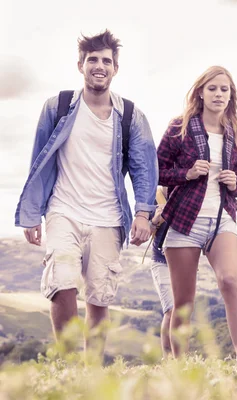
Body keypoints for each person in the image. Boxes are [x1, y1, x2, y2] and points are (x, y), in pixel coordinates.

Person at [15, 29, 157, 357]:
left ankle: (90, 375)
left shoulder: (131, 116)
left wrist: (143, 213)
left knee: (98, 298)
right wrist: (32, 212)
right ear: (80, 65)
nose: (99, 65)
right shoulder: (59, 106)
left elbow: (144, 166)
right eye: (92, 59)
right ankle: (67, 365)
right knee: (61, 283)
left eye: (106, 60)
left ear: (115, 68)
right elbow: (38, 160)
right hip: (63, 210)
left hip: (108, 217)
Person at [156, 66, 237, 359]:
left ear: (231, 95)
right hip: (184, 222)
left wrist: (234, 182)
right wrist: (187, 173)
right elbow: (157, 171)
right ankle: (180, 367)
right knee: (183, 303)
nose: (219, 94)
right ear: (200, 92)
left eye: (224, 89)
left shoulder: (235, 133)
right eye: (213, 88)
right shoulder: (179, 127)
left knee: (230, 281)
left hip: (222, 219)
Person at [149, 186, 173, 358]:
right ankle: (168, 357)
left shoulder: (188, 193)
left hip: (184, 261)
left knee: (183, 311)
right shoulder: (154, 196)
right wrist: (155, 219)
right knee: (171, 310)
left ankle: (181, 358)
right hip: (161, 260)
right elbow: (142, 233)